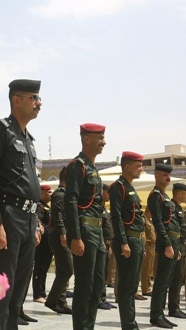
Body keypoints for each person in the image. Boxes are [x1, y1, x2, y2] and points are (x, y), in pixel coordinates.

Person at [0, 79, 42, 330]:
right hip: (8, 217)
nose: (39, 103)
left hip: (28, 220)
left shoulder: (29, 139)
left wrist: (35, 221)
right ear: (17, 100)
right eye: (34, 98)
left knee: (18, 294)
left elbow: (31, 186)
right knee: (2, 290)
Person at [64, 123, 106, 330]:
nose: (104, 142)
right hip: (85, 232)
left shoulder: (92, 168)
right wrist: (75, 236)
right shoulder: (77, 166)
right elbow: (70, 200)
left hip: (97, 232)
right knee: (85, 287)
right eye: (100, 138)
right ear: (87, 139)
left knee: (97, 287)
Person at [108, 151, 145, 330]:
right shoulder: (118, 187)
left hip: (136, 240)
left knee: (133, 285)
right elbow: (116, 216)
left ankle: (131, 323)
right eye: (138, 166)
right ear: (127, 167)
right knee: (127, 286)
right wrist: (123, 242)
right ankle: (129, 325)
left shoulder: (130, 187)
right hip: (128, 240)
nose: (141, 169)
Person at [147, 163, 179, 329]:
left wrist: (176, 246)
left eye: (169, 175)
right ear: (156, 175)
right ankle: (156, 315)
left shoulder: (165, 196)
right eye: (165, 175)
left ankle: (160, 313)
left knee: (167, 281)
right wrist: (167, 244)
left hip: (173, 242)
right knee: (161, 281)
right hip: (166, 242)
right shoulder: (155, 196)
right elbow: (158, 222)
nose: (168, 177)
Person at [45, 167, 73, 315]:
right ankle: (52, 300)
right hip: (58, 235)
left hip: (63, 235)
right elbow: (57, 214)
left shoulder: (66, 194)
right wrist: (63, 233)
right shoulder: (59, 194)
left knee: (62, 269)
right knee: (68, 269)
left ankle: (61, 302)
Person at [167, 183, 186, 320]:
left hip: (181, 247)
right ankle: (173, 308)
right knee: (175, 278)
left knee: (179, 277)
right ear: (179, 193)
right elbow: (170, 229)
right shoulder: (171, 207)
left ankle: (175, 307)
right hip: (176, 246)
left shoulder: (179, 208)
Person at [32, 184, 53, 303]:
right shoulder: (39, 206)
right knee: (39, 268)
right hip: (42, 242)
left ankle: (42, 292)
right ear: (42, 193)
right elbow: (39, 221)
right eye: (48, 192)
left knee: (45, 268)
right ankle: (37, 294)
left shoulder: (46, 207)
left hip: (48, 242)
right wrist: (46, 231)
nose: (51, 194)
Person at [98, 183, 116, 310]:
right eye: (107, 192)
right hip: (102, 242)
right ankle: (99, 299)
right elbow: (99, 227)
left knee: (105, 271)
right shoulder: (98, 208)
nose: (109, 195)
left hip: (108, 242)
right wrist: (103, 242)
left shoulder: (104, 208)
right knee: (100, 272)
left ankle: (103, 298)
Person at [140, 207, 155, 297]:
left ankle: (148, 287)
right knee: (146, 268)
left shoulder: (150, 221)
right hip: (147, 245)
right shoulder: (143, 219)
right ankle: (145, 288)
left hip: (152, 246)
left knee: (150, 269)